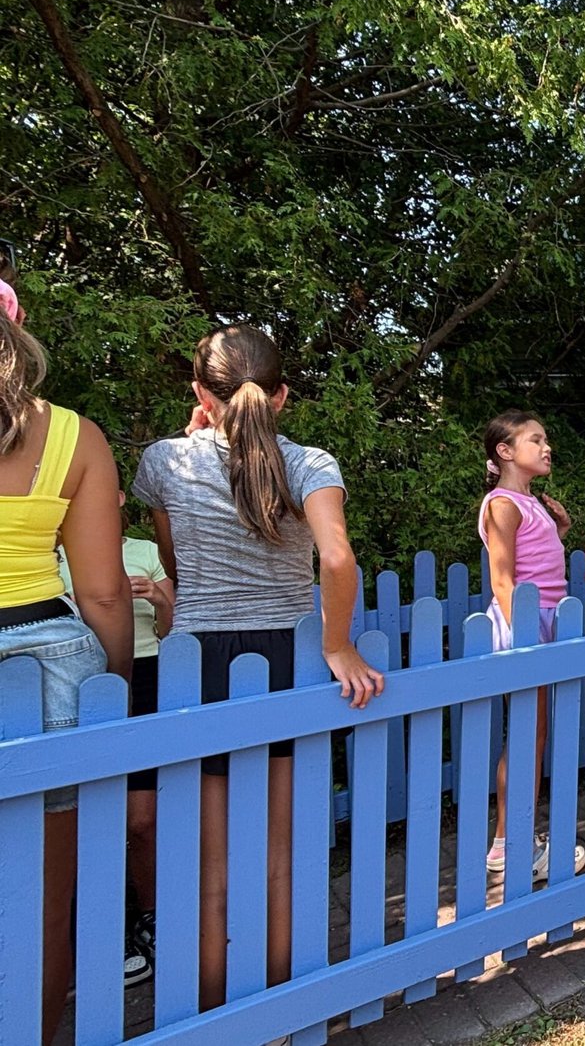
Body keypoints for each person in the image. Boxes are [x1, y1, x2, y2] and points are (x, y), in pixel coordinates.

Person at [133, 325, 383, 1013]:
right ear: (282, 396)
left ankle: (216, 1016)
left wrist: (194, 436)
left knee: (208, 868)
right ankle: (278, 1016)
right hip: (283, 657)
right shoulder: (309, 462)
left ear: (199, 394)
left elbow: (176, 565)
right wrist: (337, 644)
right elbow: (336, 559)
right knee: (279, 858)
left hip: (202, 663)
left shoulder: (164, 462)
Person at [0, 277, 132, 1045]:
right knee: (47, 895)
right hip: (52, 663)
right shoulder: (74, 437)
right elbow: (106, 593)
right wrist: (115, 689)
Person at [58, 490, 174, 989]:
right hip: (80, 680)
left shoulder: (145, 550)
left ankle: (150, 915)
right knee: (84, 819)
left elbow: (173, 627)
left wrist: (158, 597)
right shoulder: (48, 555)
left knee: (142, 818)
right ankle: (102, 931)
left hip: (146, 677)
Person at [478, 411, 585, 882]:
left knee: (534, 733)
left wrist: (558, 532)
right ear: (505, 452)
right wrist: (525, 638)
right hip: (525, 625)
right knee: (527, 735)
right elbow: (503, 578)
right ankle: (509, 843)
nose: (547, 448)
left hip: (542, 619)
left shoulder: (529, 501)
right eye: (535, 440)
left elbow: (536, 562)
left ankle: (516, 838)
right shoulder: (502, 503)